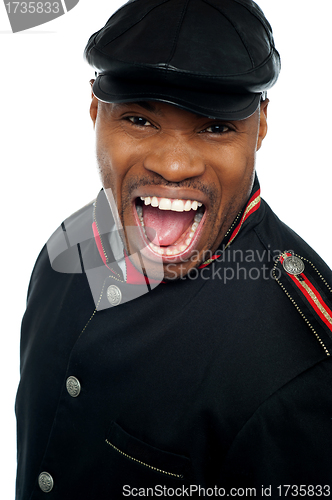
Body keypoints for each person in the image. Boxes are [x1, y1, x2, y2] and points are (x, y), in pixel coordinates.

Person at [15, 0, 332, 498]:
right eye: (140, 120)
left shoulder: (303, 367)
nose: (174, 165)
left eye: (214, 126)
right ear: (96, 109)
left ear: (261, 125)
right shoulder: (67, 246)